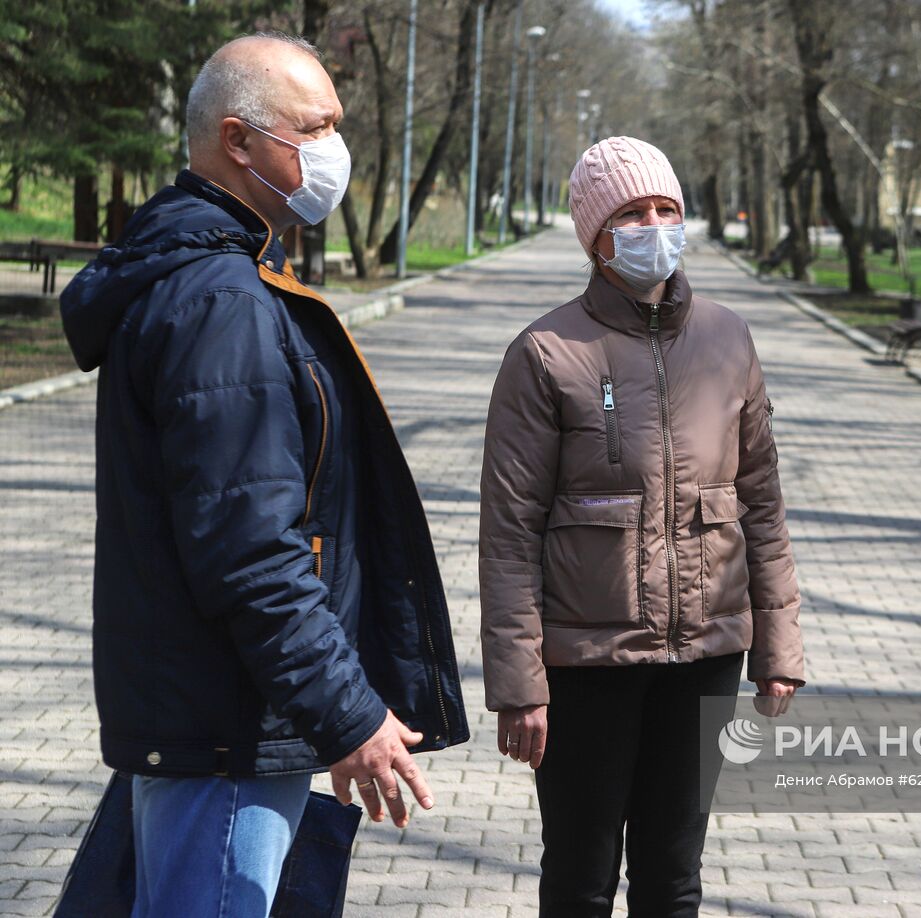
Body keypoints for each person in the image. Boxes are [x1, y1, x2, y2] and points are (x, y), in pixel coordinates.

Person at [58, 33, 468, 917]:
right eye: (313, 130)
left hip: (211, 718)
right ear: (239, 142)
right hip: (229, 733)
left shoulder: (210, 277)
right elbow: (250, 550)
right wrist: (349, 714)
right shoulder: (221, 303)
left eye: (336, 126)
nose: (333, 152)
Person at [478, 136, 806, 916]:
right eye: (632, 212)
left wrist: (779, 645)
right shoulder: (546, 352)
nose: (654, 225)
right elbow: (510, 534)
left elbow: (762, 502)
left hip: (706, 653)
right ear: (596, 237)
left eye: (667, 209)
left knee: (673, 875)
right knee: (583, 878)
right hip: (588, 661)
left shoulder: (728, 338)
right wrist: (521, 684)